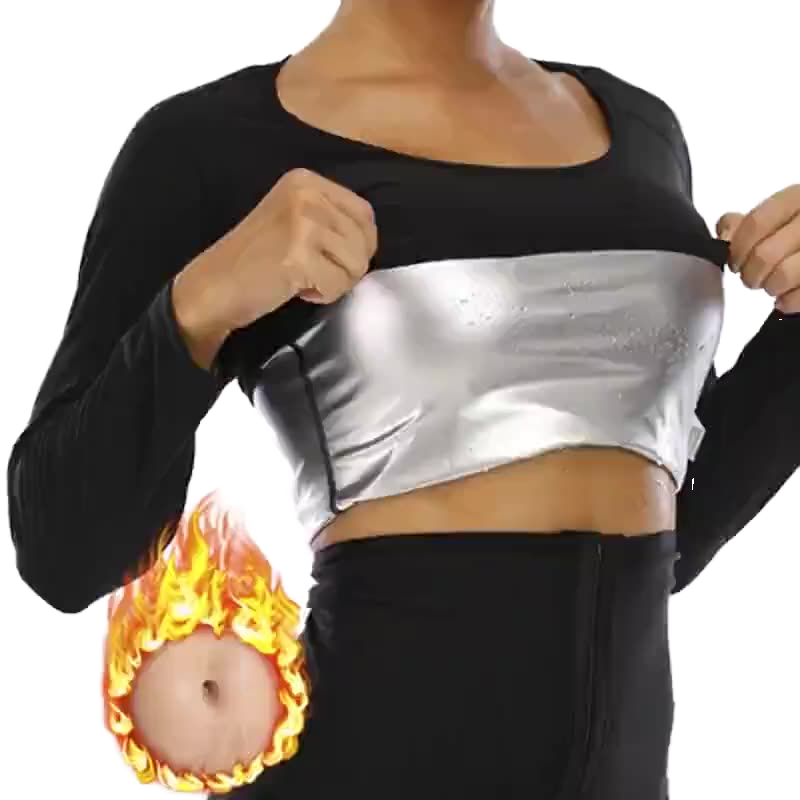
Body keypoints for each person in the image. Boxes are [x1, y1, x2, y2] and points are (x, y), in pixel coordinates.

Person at [6, 0, 800, 797]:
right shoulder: (206, 149)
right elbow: (63, 552)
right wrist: (200, 304)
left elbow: (677, 520)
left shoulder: (644, 132)